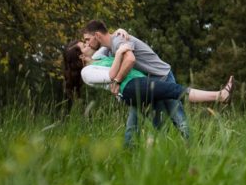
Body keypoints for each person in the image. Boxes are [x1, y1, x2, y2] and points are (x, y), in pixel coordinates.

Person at [62, 40, 232, 146]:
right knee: (174, 91)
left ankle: (139, 151)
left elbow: (110, 40)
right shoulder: (87, 73)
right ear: (80, 58)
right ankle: (220, 96)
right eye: (83, 46)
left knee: (158, 123)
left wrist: (120, 33)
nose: (88, 44)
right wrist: (121, 52)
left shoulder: (98, 57)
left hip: (138, 85)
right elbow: (111, 75)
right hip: (132, 87)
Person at [81, 20, 219, 143]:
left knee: (178, 117)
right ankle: (153, 150)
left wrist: (117, 81)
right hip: (146, 84)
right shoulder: (108, 48)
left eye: (87, 39)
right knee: (156, 122)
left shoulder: (118, 41)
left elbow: (130, 59)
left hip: (161, 77)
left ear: (97, 35)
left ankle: (193, 147)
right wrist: (120, 29)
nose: (87, 43)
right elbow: (98, 53)